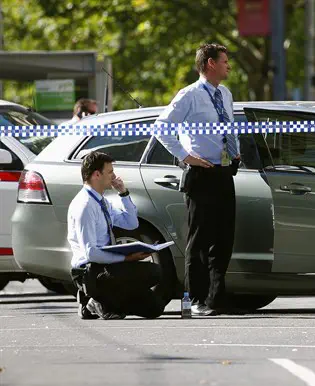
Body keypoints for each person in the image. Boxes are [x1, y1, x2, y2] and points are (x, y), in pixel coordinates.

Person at [154, 43, 241, 316]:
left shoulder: (225, 94)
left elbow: (228, 128)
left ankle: (216, 298)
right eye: (225, 61)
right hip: (201, 175)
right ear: (210, 63)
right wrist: (185, 156)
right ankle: (196, 300)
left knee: (223, 239)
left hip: (224, 173)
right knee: (200, 241)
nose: (229, 66)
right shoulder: (189, 95)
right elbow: (161, 127)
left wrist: (236, 154)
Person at [68, 151, 166, 320]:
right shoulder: (85, 205)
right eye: (110, 172)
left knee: (154, 308)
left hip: (107, 267)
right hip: (90, 270)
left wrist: (123, 193)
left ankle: (95, 301)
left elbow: (131, 223)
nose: (114, 176)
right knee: (152, 272)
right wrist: (127, 258)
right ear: (97, 175)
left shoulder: (101, 201)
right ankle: (95, 299)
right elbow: (91, 253)